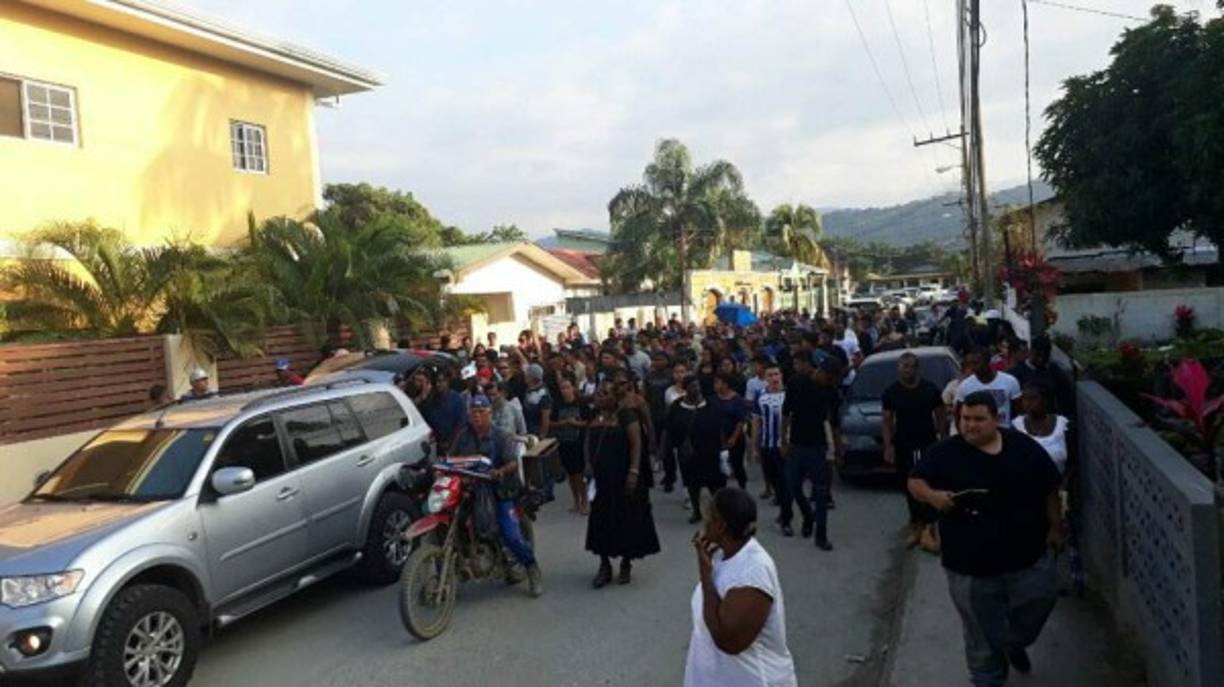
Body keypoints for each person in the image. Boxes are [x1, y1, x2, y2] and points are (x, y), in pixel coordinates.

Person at [908, 391, 1063, 686]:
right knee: (980, 633)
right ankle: (988, 676)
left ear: (997, 419)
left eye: (979, 419)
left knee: (1039, 604)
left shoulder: (1023, 448)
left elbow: (1050, 489)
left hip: (1028, 559)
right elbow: (915, 481)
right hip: (969, 568)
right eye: (965, 419)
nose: (970, 425)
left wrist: (1056, 529)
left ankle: (1012, 643)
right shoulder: (945, 452)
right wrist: (933, 496)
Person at [685, 487, 797, 687]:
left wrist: (706, 576)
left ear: (721, 525)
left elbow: (727, 640)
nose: (705, 518)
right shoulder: (721, 554)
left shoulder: (753, 572)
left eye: (710, 513)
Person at [448, 395, 543, 597]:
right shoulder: (463, 436)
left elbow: (512, 462)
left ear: (489, 413)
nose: (477, 416)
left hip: (500, 490)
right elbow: (452, 458)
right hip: (471, 490)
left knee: (511, 535)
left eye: (481, 412)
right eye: (473, 412)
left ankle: (532, 568)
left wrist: (498, 472)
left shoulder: (501, 436)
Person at [585, 382, 661, 587]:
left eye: (604, 393)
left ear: (614, 397)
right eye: (598, 393)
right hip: (601, 478)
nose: (599, 396)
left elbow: (636, 444)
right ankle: (604, 565)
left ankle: (626, 564)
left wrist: (634, 472)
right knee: (601, 519)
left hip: (623, 476)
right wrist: (588, 464)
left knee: (625, 518)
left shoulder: (626, 415)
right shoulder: (594, 416)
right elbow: (588, 441)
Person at [882, 352, 947, 552]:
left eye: (910, 366)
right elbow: (887, 421)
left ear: (917, 369)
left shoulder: (930, 390)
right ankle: (916, 525)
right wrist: (888, 446)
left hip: (927, 443)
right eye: (903, 367)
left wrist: (943, 441)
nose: (906, 370)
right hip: (904, 445)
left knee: (927, 485)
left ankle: (929, 527)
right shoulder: (891, 392)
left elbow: (941, 417)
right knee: (907, 485)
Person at [780, 355, 841, 551]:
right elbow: (786, 413)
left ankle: (821, 535)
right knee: (793, 486)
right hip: (796, 443)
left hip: (818, 445)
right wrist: (783, 440)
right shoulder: (797, 383)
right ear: (821, 372)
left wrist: (837, 450)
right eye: (828, 377)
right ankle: (807, 514)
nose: (829, 382)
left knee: (821, 492)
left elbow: (834, 422)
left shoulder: (831, 391)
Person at [661, 376, 725, 524]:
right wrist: (664, 449)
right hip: (688, 454)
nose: (696, 389)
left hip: (710, 451)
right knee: (692, 484)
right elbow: (668, 428)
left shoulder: (710, 404)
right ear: (685, 388)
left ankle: (718, 514)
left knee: (715, 485)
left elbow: (720, 426)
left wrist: (723, 447)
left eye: (697, 385)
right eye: (692, 386)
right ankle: (697, 511)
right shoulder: (677, 406)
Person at [750, 364, 787, 517]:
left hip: (784, 445)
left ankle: (785, 511)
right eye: (770, 375)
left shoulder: (788, 395)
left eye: (776, 374)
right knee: (773, 475)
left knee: (785, 477)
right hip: (767, 443)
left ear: (781, 376)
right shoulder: (760, 396)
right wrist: (754, 447)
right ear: (765, 378)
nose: (774, 378)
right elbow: (756, 423)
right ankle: (780, 497)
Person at [1007, 335, 1074, 417]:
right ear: (1031, 352)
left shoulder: (1054, 372)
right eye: (1038, 355)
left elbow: (1066, 400)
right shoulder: (1015, 374)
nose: (1041, 360)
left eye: (1045, 357)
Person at [1012, 384, 1070, 477]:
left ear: (1045, 400)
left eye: (1033, 398)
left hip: (1058, 485)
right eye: (1024, 398)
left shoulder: (1062, 425)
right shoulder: (1015, 427)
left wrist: (1064, 486)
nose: (1028, 403)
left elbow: (1072, 462)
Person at [551, 378, 590, 514]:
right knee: (570, 474)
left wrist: (576, 423)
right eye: (562, 388)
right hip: (564, 443)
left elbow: (589, 422)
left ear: (573, 388)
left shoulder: (581, 404)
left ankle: (585, 501)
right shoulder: (557, 405)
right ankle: (576, 500)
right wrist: (561, 424)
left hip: (578, 443)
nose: (565, 391)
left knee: (580, 474)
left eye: (567, 387)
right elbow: (551, 423)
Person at [955, 348, 1022, 427]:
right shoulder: (965, 386)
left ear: (987, 361)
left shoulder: (1010, 381)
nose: (972, 367)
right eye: (969, 364)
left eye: (976, 363)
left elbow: (1018, 410)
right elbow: (959, 414)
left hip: (1004, 431)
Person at [711, 373, 749, 490]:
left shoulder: (737, 400)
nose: (715, 385)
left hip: (734, 437)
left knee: (737, 465)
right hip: (717, 437)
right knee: (719, 467)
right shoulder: (712, 399)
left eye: (717, 382)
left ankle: (742, 488)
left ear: (726, 385)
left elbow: (741, 421)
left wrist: (733, 437)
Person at [416, 368, 469, 447]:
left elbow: (461, 424)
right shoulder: (431, 399)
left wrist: (450, 442)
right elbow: (426, 420)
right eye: (436, 382)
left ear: (447, 381)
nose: (438, 384)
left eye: (441, 381)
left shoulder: (457, 399)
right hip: (436, 444)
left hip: (455, 445)